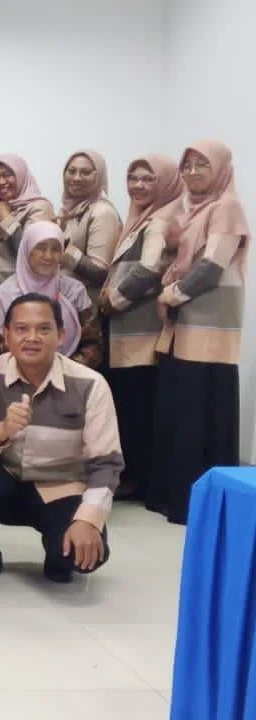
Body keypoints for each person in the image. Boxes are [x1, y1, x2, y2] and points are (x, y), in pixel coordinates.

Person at [0, 293, 121, 584]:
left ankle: (57, 551)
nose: (32, 338)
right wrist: (1, 432)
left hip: (61, 487)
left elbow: (106, 464)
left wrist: (89, 519)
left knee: (79, 557)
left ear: (61, 335)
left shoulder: (91, 384)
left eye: (44, 329)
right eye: (21, 329)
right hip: (2, 482)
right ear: (6, 334)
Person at [150, 140, 248, 525]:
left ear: (220, 169)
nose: (192, 173)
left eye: (201, 165)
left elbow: (210, 268)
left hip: (209, 327)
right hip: (184, 324)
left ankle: (198, 506)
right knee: (181, 414)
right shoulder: (192, 210)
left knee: (200, 415)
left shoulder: (227, 207)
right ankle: (174, 498)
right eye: (187, 166)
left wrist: (169, 294)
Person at [99, 155, 181, 500]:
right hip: (127, 331)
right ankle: (133, 477)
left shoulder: (160, 220)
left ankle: (136, 480)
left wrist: (113, 300)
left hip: (141, 332)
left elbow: (149, 269)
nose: (138, 186)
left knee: (136, 408)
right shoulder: (140, 219)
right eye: (133, 178)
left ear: (166, 182)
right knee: (129, 405)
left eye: (148, 179)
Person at [0, 221, 102, 368]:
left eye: (55, 249)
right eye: (41, 248)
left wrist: (62, 373)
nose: (48, 256)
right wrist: (30, 375)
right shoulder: (2, 295)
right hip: (15, 377)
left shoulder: (74, 291)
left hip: (70, 376)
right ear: (28, 250)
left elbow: (92, 345)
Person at [0, 154, 56, 298]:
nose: (1, 182)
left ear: (21, 176)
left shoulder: (39, 208)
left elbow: (34, 254)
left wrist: (6, 219)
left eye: (7, 175)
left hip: (22, 297)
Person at [59, 150, 123, 302]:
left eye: (86, 172)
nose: (76, 178)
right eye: (71, 171)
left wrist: (64, 250)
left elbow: (100, 274)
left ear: (98, 176)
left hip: (87, 305)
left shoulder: (102, 212)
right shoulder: (70, 210)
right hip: (66, 301)